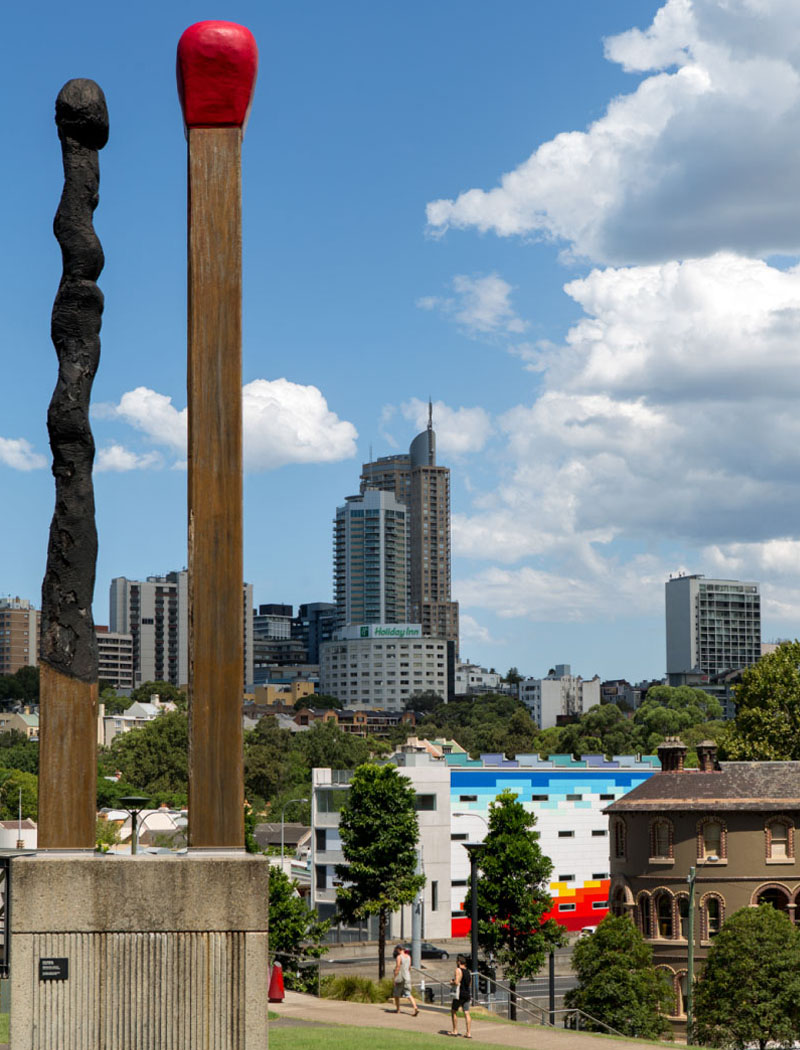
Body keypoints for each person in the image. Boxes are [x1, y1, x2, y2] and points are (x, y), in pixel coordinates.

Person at [449, 954, 472, 1038]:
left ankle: (455, 1030)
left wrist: (451, 981)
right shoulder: (468, 971)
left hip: (459, 994)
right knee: (466, 1012)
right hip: (467, 994)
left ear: (459, 962)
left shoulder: (458, 970)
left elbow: (457, 982)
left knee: (454, 1011)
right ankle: (468, 1033)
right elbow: (470, 983)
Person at [392, 944, 419, 1016]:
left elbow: (398, 967)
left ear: (399, 949)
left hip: (400, 977)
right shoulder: (409, 957)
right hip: (407, 977)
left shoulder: (399, 957)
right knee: (408, 994)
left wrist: (394, 978)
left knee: (396, 994)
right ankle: (415, 1007)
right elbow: (409, 967)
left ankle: (398, 1009)